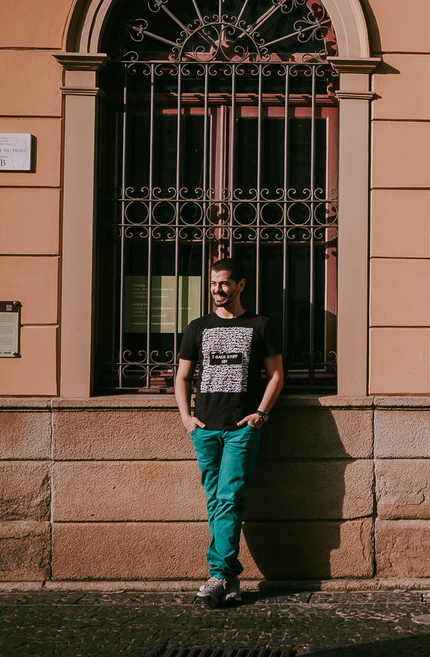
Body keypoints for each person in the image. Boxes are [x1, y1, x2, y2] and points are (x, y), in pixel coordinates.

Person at [174, 258, 284, 607]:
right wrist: (187, 418)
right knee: (216, 500)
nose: (217, 290)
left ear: (241, 285)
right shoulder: (197, 327)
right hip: (205, 429)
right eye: (212, 284)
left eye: (223, 284)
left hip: (241, 429)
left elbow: (277, 375)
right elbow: (182, 377)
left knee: (230, 497)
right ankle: (231, 579)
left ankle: (218, 575)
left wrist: (260, 415)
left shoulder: (260, 325)